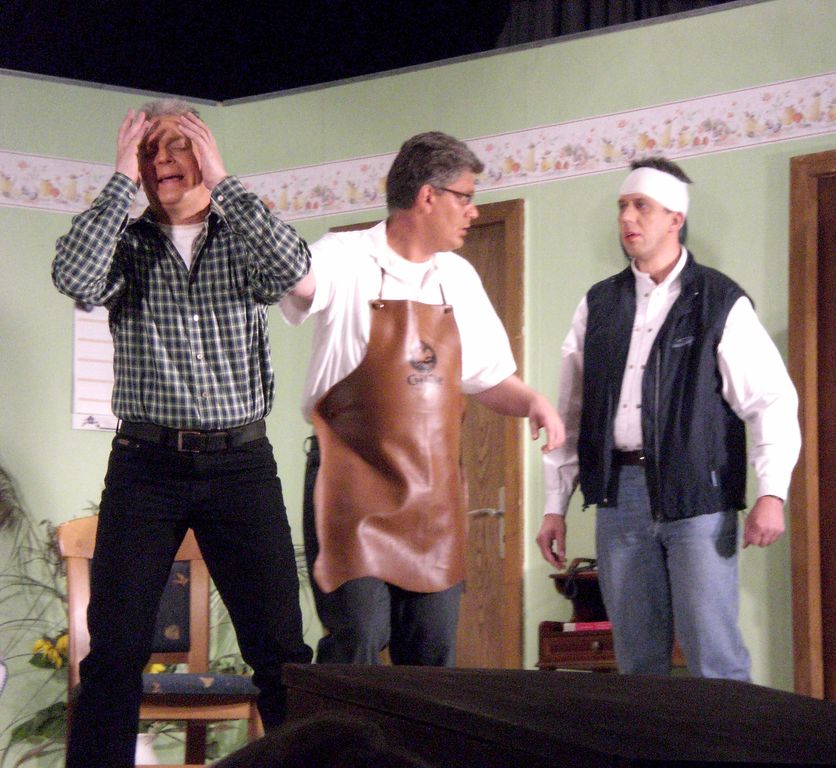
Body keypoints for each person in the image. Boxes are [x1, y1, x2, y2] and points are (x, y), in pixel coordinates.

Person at [52, 100, 313, 768]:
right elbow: (73, 276)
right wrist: (120, 177)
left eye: (176, 146)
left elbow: (296, 276)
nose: (160, 161)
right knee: (113, 655)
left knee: (282, 655)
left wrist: (224, 180)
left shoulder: (242, 235)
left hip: (240, 465)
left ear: (204, 152)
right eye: (147, 151)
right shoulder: (126, 243)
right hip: (145, 467)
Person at [281, 131, 564, 667]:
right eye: (465, 197)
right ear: (428, 196)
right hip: (350, 485)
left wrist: (533, 402)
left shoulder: (459, 277)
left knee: (432, 650)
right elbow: (298, 282)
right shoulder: (344, 255)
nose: (473, 212)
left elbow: (488, 376)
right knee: (359, 635)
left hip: (431, 496)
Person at [536, 157, 800, 680]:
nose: (627, 218)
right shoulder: (598, 305)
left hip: (698, 497)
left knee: (713, 654)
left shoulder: (719, 301)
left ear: (675, 218)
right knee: (637, 661)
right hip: (619, 499)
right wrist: (554, 505)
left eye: (641, 206)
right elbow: (570, 413)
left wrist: (773, 494)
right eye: (622, 206)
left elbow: (770, 400)